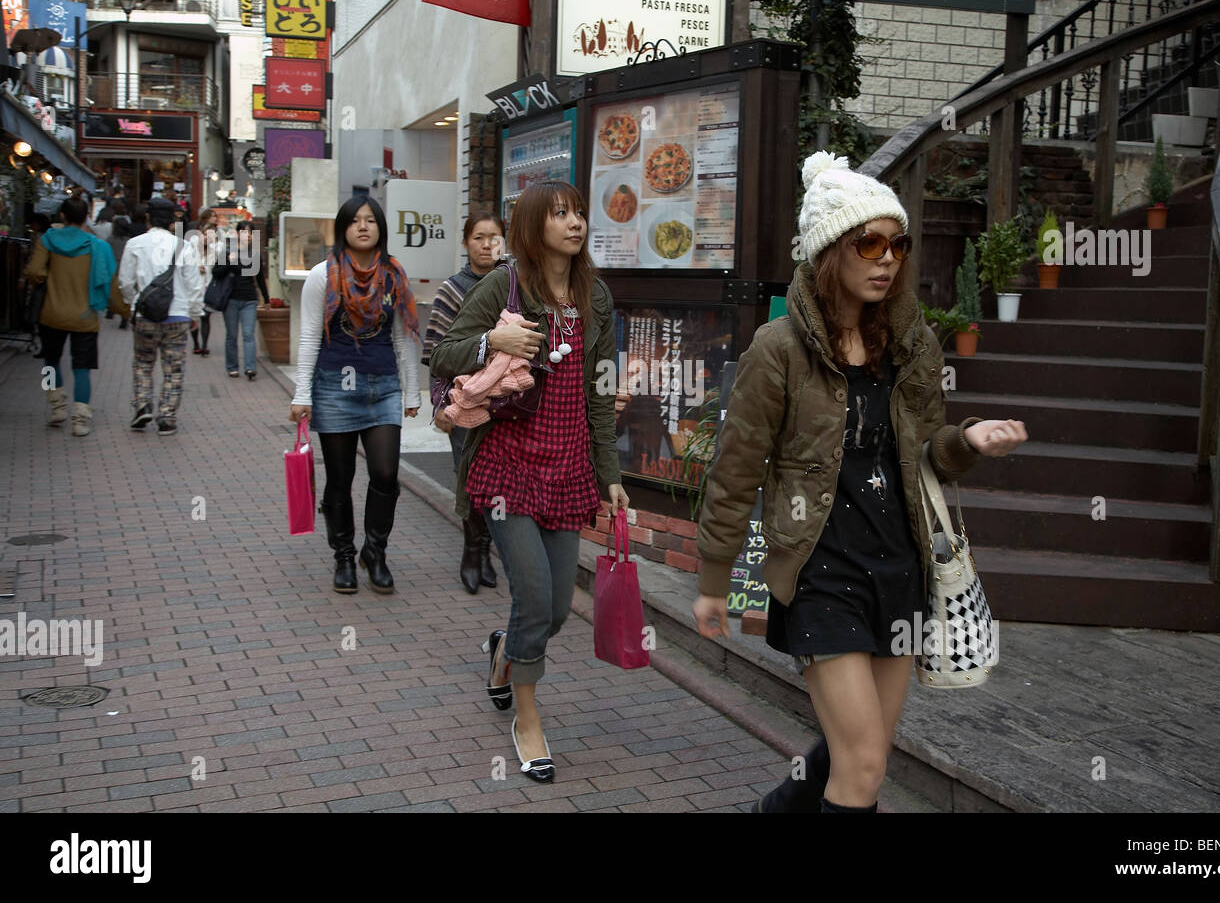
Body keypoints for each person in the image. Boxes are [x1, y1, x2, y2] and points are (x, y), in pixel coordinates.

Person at [691, 153, 1029, 812]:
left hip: (898, 568)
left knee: (858, 747)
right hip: (820, 573)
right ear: (829, 252)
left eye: (897, 244)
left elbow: (928, 455)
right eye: (868, 243)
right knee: (866, 766)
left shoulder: (913, 343)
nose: (887, 259)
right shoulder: (779, 349)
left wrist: (968, 442)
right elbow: (735, 473)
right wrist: (713, 582)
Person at [429, 181, 629, 784]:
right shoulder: (504, 285)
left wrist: (611, 476)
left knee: (558, 609)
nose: (574, 222)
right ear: (534, 224)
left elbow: (600, 393)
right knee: (535, 595)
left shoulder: (597, 297)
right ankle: (528, 715)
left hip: (568, 469)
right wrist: (494, 340)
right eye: (559, 213)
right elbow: (443, 355)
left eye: (577, 213)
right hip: (507, 469)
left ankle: (502, 655)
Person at [290, 197, 422, 596]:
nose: (363, 226)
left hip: (382, 387)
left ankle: (375, 552)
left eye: (371, 220)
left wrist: (412, 390)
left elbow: (402, 337)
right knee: (340, 479)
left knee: (385, 475)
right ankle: (344, 555)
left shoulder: (393, 275)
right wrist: (302, 393)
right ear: (343, 227)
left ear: (381, 227)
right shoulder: (322, 275)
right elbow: (311, 335)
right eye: (355, 220)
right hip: (333, 387)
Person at [421, 211, 505, 594]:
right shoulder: (452, 290)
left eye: (494, 237)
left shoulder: (514, 285)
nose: (487, 245)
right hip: (465, 401)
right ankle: (472, 552)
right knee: (469, 477)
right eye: (479, 238)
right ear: (466, 242)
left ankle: (487, 549)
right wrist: (440, 405)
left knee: (499, 479)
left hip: (506, 402)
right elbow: (438, 352)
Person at [23, 196, 115, 436]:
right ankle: (80, 419)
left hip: (51, 313)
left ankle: (56, 407)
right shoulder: (96, 246)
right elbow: (108, 280)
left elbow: (33, 271)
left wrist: (45, 278)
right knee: (81, 367)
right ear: (86, 217)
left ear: (62, 216)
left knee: (50, 362)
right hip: (85, 316)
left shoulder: (47, 240)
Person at [117, 197, 204, 436]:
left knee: (143, 363)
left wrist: (132, 302)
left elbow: (125, 281)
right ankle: (167, 416)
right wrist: (195, 312)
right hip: (177, 315)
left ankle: (142, 405)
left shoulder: (134, 244)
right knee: (173, 368)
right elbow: (194, 284)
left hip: (145, 315)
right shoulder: (183, 246)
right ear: (172, 220)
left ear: (148, 218)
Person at [215, 218, 268, 379]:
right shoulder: (227, 252)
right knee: (232, 335)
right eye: (244, 232)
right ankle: (232, 367)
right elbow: (216, 273)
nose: (248, 236)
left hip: (250, 299)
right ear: (237, 234)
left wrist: (266, 299)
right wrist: (230, 263)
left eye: (251, 233)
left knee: (248, 334)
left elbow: (260, 279)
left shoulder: (255, 255)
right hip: (230, 299)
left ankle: (250, 368)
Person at [189, 207, 219, 356]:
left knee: (206, 316)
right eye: (205, 234)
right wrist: (197, 265)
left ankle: (205, 345)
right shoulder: (193, 244)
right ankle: (196, 343)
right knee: (194, 316)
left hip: (208, 285)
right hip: (195, 284)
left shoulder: (215, 248)